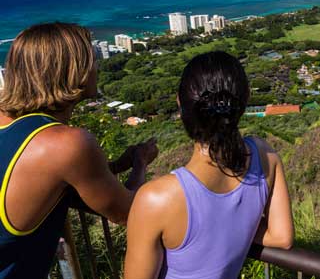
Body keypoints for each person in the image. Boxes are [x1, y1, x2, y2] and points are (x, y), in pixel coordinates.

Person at [0, 23, 158, 279]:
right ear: (74, 72)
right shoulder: (67, 144)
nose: (96, 68)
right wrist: (141, 162)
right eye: (91, 60)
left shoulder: (10, 125)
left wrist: (116, 166)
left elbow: (36, 179)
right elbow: (130, 214)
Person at [125, 51, 293, 279]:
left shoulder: (156, 199)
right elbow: (282, 237)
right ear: (244, 101)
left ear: (180, 103)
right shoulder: (265, 157)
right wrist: (234, 225)